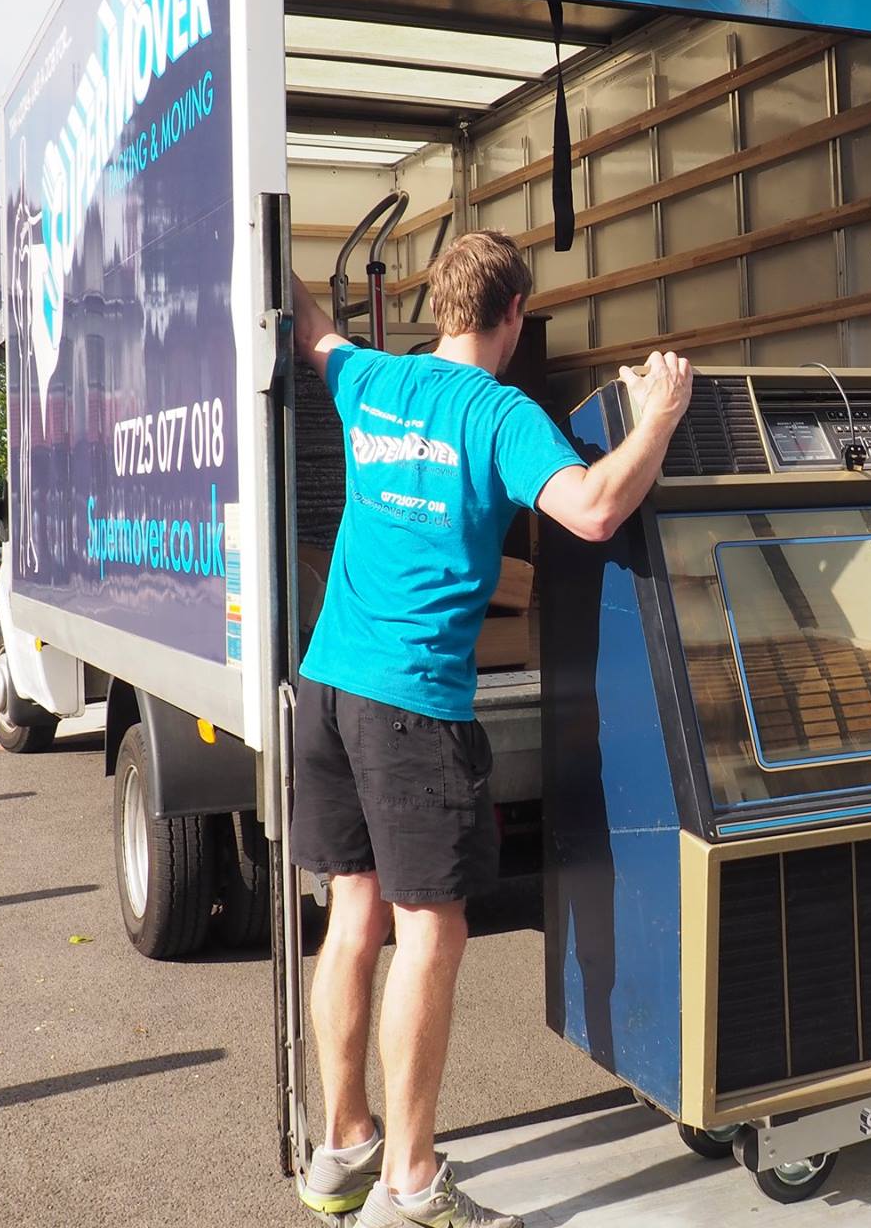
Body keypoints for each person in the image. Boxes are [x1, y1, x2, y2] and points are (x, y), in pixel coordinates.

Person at [288, 230, 693, 1228]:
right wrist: (659, 419)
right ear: (513, 315)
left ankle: (341, 1149)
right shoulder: (500, 412)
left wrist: (246, 232)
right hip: (414, 705)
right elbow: (593, 510)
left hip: (327, 685)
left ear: (436, 307)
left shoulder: (368, 378)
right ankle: (411, 1183)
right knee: (431, 933)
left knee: (352, 918)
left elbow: (308, 324)